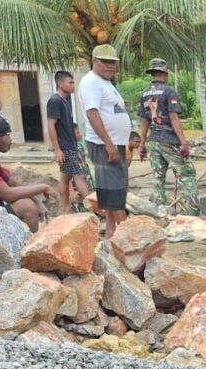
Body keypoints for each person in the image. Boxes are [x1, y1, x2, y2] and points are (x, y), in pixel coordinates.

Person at [78, 44, 131, 238]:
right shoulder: (91, 82)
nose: (110, 66)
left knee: (114, 192)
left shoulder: (105, 83)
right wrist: (109, 143)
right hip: (104, 145)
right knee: (115, 193)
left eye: (113, 63)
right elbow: (92, 114)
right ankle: (130, 238)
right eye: (105, 62)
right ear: (94, 62)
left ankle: (111, 232)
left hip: (114, 144)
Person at [137, 58, 197, 215]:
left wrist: (142, 144)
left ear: (152, 73)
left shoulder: (144, 93)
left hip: (153, 140)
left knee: (158, 178)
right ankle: (191, 214)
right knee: (186, 175)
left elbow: (144, 122)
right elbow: (174, 118)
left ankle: (160, 214)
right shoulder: (169, 92)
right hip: (169, 140)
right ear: (165, 73)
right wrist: (183, 142)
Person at [46, 70, 91, 214]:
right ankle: (95, 206)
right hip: (65, 147)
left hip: (70, 146)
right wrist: (57, 149)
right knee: (79, 176)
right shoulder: (55, 101)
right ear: (60, 83)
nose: (73, 86)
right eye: (70, 82)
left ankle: (65, 210)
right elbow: (51, 125)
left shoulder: (65, 102)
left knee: (65, 178)